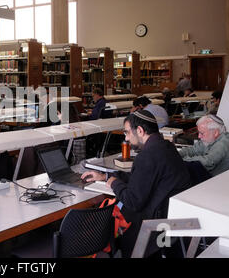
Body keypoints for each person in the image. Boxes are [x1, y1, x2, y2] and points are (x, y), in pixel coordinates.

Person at [81, 110, 192, 257]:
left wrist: (114, 183)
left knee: (109, 216)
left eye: (127, 133)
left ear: (140, 130)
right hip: (171, 220)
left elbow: (133, 201)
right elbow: (140, 177)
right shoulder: (166, 147)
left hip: (152, 227)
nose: (126, 138)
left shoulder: (147, 156)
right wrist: (105, 176)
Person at [179, 115, 229, 184]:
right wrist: (176, 154)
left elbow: (208, 162)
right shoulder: (210, 138)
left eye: (202, 133)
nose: (199, 136)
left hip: (225, 182)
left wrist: (181, 159)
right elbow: (193, 150)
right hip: (214, 177)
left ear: (216, 132)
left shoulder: (225, 142)